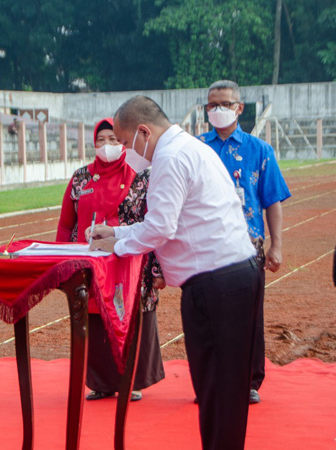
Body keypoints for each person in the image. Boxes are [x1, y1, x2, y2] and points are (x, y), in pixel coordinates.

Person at [89, 96, 260, 449]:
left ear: (142, 132)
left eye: (123, 142)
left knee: (219, 387)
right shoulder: (190, 148)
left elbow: (160, 228)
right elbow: (168, 221)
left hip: (217, 284)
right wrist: (118, 233)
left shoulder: (169, 157)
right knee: (218, 387)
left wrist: (117, 246)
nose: (123, 150)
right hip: (227, 278)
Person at [56, 117, 165, 402]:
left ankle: (132, 380)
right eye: (101, 140)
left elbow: (153, 223)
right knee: (93, 318)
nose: (107, 146)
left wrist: (156, 267)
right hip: (89, 264)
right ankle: (101, 382)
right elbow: (66, 224)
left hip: (130, 262)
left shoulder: (140, 175)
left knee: (128, 316)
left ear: (123, 142)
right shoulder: (81, 178)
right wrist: (61, 261)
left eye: (113, 140)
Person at [198, 80, 291, 404]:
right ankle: (209, 381)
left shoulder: (259, 150)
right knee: (207, 317)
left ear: (240, 108)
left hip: (247, 247)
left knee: (248, 316)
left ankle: (248, 381)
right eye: (212, 105)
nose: (218, 110)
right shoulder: (197, 149)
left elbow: (272, 200)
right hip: (205, 247)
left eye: (225, 104)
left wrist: (276, 245)